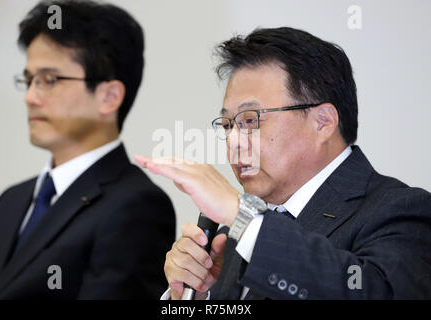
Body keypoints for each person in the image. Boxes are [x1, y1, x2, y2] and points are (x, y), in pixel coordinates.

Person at [136, 26, 431, 299]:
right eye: (227, 124)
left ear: (323, 122)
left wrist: (241, 214)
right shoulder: (231, 237)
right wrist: (192, 297)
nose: (234, 141)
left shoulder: (402, 211)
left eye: (251, 120)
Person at [0, 0, 175, 299]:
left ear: (109, 96)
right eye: (29, 80)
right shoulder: (10, 202)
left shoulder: (136, 206)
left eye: (49, 80)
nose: (30, 97)